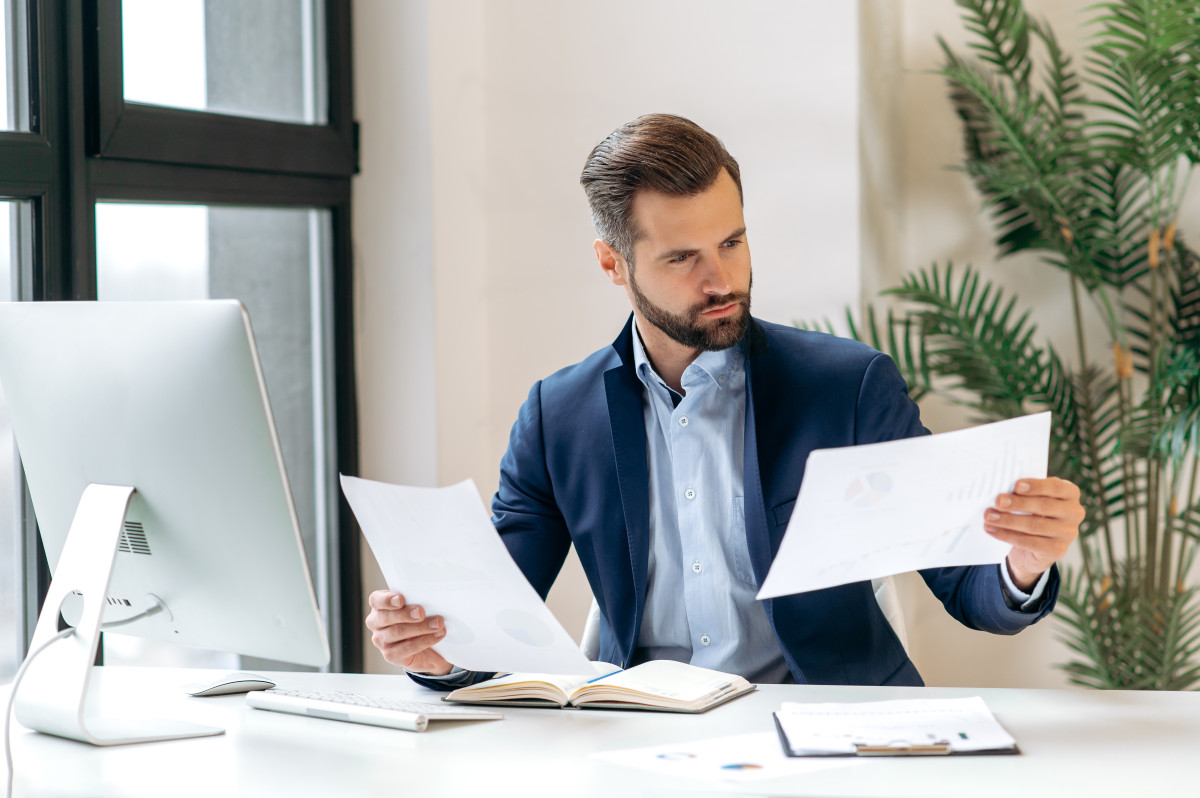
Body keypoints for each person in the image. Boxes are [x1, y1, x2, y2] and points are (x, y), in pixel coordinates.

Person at [366, 114, 1084, 687]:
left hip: (832, 734)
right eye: (683, 258)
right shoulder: (560, 415)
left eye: (733, 241)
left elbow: (969, 586)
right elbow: (491, 616)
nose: (723, 279)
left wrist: (1021, 562)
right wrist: (435, 650)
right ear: (612, 264)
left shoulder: (849, 385)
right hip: (642, 742)